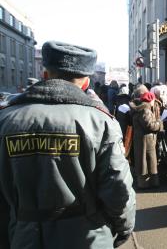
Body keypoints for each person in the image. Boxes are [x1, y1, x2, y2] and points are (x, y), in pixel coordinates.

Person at [0, 41, 136, 248]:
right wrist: (122, 229)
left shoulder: (6, 119)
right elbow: (119, 189)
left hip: (24, 236)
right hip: (87, 237)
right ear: (86, 83)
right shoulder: (100, 122)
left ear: (45, 75)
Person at [131, 91, 163, 189]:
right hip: (146, 139)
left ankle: (145, 183)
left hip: (141, 138)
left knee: (143, 161)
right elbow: (149, 125)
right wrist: (159, 123)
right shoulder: (145, 110)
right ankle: (148, 184)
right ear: (150, 100)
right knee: (148, 161)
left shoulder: (139, 108)